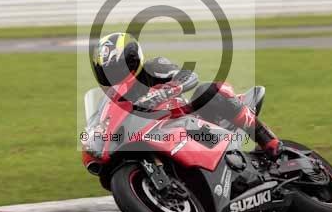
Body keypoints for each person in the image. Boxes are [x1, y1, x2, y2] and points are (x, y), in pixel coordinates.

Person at [91, 32, 283, 161]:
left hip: (188, 120)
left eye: (116, 70)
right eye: (106, 73)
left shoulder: (153, 67)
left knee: (208, 91)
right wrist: (93, 142)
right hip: (153, 137)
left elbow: (189, 76)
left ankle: (267, 139)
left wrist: (167, 90)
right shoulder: (110, 102)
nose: (112, 77)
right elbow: (97, 126)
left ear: (132, 61)